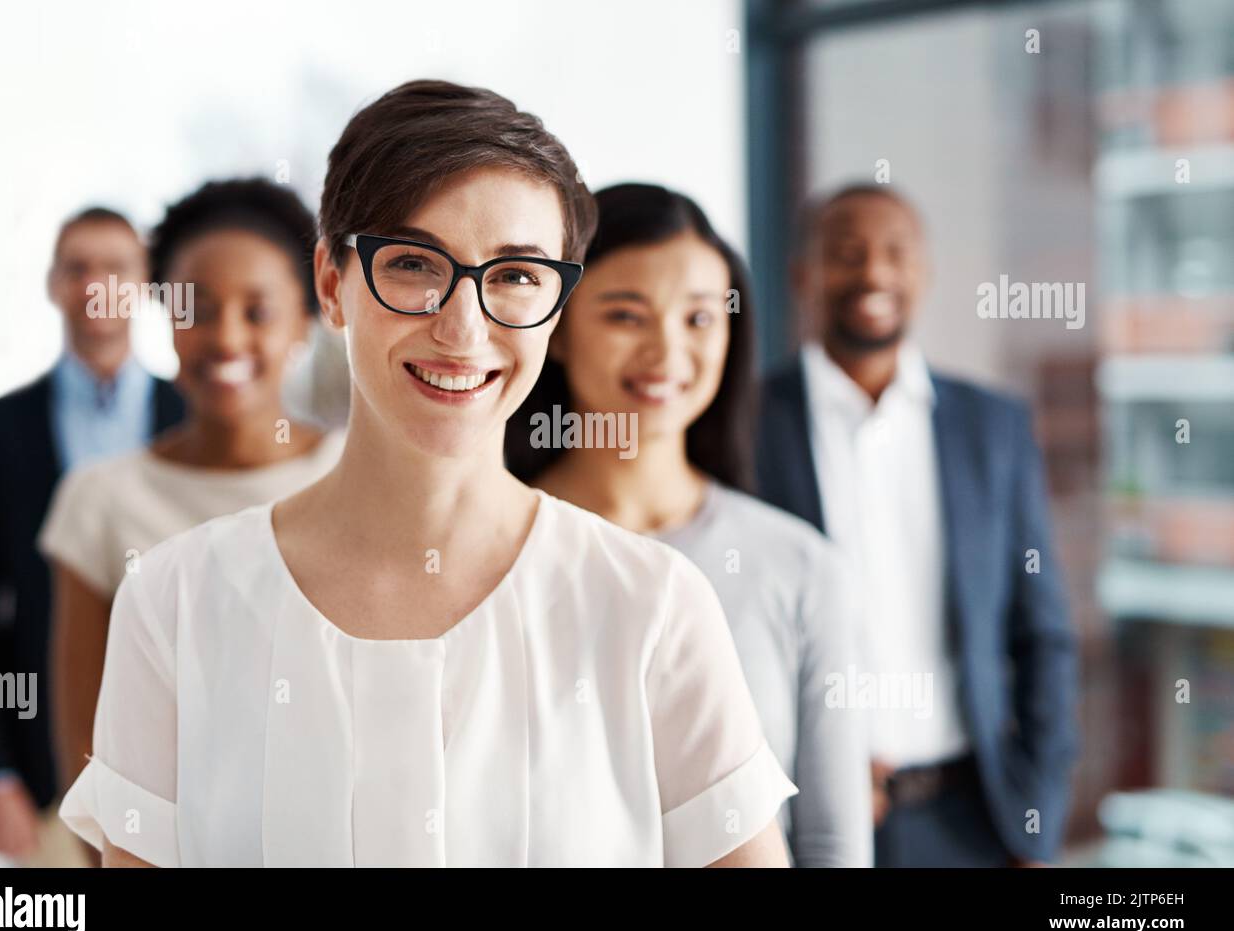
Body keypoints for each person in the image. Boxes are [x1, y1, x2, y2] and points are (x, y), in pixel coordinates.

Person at [58, 80, 796, 867]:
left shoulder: (654, 607)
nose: (462, 327)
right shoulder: (174, 602)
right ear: (332, 284)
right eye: (414, 263)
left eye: (515, 275)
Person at [508, 183, 871, 866]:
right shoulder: (487, 549)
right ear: (555, 331)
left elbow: (830, 839)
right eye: (625, 315)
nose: (666, 351)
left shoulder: (799, 566)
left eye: (700, 319)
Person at [755, 183, 1079, 866]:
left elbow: (1042, 633)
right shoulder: (747, 424)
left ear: (923, 273)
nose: (873, 272)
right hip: (806, 820)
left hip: (974, 819)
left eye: (895, 252)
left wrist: (1036, 816)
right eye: (845, 253)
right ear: (802, 274)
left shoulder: (994, 427)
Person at [40, 179, 342, 841]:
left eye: (257, 311)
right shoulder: (101, 500)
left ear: (306, 317)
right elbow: (89, 760)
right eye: (196, 309)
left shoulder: (358, 478)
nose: (224, 337)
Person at [0, 207, 185, 867]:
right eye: (77, 267)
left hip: (184, 775)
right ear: (54, 284)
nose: (95, 283)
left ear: (144, 282)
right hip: (45, 779)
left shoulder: (196, 418)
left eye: (115, 266)